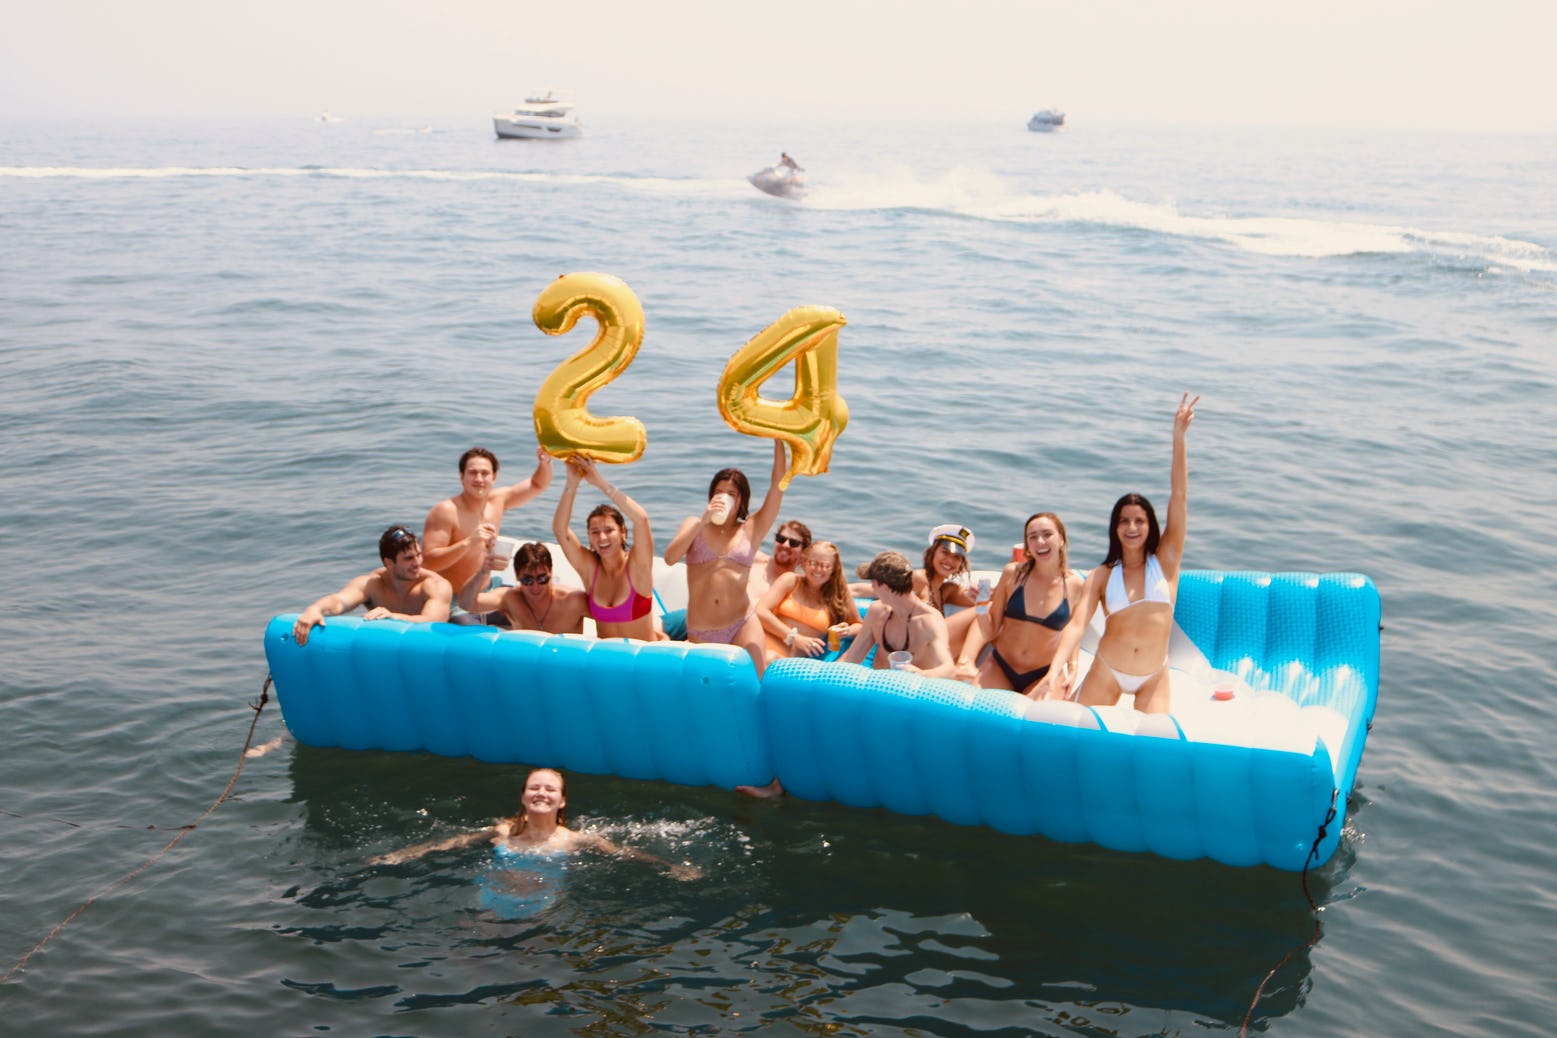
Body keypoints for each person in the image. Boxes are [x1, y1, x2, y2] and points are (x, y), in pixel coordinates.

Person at [1048, 393, 1200, 713]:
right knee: (1077, 734)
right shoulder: (1102, 576)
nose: (1132, 527)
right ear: (1114, 528)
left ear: (1150, 525)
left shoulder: (1166, 562)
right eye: (1124, 521)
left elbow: (1180, 495)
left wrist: (1179, 437)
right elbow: (1076, 626)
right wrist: (1054, 671)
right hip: (1108, 669)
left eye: (1139, 521)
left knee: (1152, 741)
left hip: (1153, 675)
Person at [366, 768, 699, 881]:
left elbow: (626, 853)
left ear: (562, 801)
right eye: (534, 788)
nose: (541, 793)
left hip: (540, 906)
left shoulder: (575, 840)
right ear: (523, 796)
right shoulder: (501, 831)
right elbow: (450, 844)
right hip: (493, 898)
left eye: (550, 789)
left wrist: (670, 866)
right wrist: (401, 855)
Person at [665, 441, 788, 673]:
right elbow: (670, 558)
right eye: (719, 492)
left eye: (732, 494)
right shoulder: (694, 525)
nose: (724, 498)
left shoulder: (751, 529)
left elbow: (777, 487)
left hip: (742, 623)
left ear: (741, 501)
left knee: (755, 681)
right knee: (710, 687)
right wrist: (704, 519)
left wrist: (778, 439)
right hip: (702, 630)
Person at [955, 513, 1086, 697]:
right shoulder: (1013, 574)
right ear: (1027, 544)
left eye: (1047, 534)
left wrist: (1073, 668)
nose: (1040, 541)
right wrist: (980, 606)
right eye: (1033, 537)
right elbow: (990, 632)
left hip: (1043, 673)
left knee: (1039, 715)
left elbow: (1074, 631)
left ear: (1061, 539)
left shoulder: (1075, 585)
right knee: (978, 710)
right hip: (1001, 666)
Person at [421, 446, 553, 621]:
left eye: (485, 473)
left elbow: (537, 485)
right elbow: (428, 562)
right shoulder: (446, 511)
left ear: (494, 477)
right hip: (456, 602)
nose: (479, 479)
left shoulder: (497, 501)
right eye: (472, 473)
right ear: (461, 476)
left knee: (540, 614)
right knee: (476, 636)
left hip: (489, 590)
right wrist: (468, 543)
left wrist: (545, 462)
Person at [552, 456, 658, 641]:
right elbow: (560, 530)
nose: (602, 538)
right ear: (589, 536)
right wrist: (572, 483)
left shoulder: (637, 566)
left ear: (623, 532)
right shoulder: (590, 569)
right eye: (595, 532)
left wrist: (599, 482)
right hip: (605, 657)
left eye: (609, 530)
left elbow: (641, 519)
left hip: (642, 657)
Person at [290, 525, 453, 645]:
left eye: (419, 555)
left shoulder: (434, 585)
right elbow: (339, 601)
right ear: (389, 563)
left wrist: (394, 617)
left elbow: (434, 622)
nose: (417, 563)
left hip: (435, 638)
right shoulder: (373, 584)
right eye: (409, 558)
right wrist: (315, 609)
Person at [841, 550, 955, 678]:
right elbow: (851, 659)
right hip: (878, 685)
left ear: (885, 587)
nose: (872, 586)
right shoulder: (877, 612)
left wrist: (921, 674)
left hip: (912, 687)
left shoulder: (929, 622)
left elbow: (949, 669)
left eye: (873, 582)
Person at [757, 541, 862, 665]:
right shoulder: (791, 581)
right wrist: (793, 637)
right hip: (763, 645)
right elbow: (760, 610)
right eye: (813, 563)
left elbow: (860, 627)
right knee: (770, 657)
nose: (818, 569)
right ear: (804, 563)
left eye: (825, 565)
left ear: (833, 569)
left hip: (789, 662)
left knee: (772, 659)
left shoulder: (839, 595)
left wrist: (846, 631)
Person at [457, 541, 589, 634]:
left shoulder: (573, 601)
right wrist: (482, 571)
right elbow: (467, 604)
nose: (535, 587)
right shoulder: (509, 598)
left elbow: (602, 618)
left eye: (542, 579)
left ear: (550, 572)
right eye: (527, 580)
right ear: (517, 576)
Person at [914, 524, 984, 659]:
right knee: (982, 610)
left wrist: (977, 591)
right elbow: (880, 589)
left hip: (933, 649)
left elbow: (984, 600)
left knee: (986, 609)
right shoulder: (919, 578)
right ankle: (965, 663)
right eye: (945, 552)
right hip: (917, 649)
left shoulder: (947, 590)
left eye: (957, 557)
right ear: (933, 552)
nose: (950, 560)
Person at [748, 519, 812, 602]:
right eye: (781, 539)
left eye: (793, 543)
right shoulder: (753, 561)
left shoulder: (802, 586)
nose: (785, 545)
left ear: (804, 552)